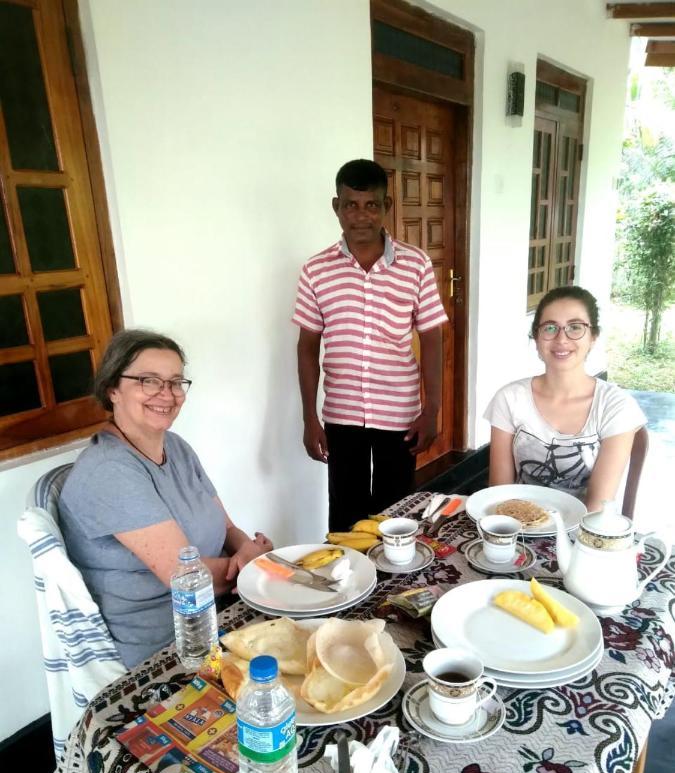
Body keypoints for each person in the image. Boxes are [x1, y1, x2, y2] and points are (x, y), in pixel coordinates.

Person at [59, 329, 272, 669]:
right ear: (113, 389)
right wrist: (256, 566)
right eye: (148, 380)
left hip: (223, 610)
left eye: (175, 382)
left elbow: (227, 526)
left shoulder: (176, 447)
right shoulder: (108, 471)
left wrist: (246, 548)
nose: (167, 394)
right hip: (169, 642)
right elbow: (187, 580)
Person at [293, 159, 448, 530]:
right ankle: (349, 585)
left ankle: (394, 586)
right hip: (342, 414)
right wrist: (309, 418)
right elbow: (307, 346)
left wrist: (433, 409)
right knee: (345, 513)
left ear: (387, 207)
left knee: (396, 514)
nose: (360, 216)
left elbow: (431, 338)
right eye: (350, 205)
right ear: (337, 207)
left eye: (371, 205)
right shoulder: (316, 270)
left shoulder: (416, 265)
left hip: (400, 414)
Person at [485, 286, 647, 511]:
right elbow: (499, 495)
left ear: (593, 337)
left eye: (575, 327)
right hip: (519, 529)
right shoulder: (509, 399)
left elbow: (597, 507)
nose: (562, 338)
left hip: (583, 535)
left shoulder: (615, 406)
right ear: (537, 337)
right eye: (550, 328)